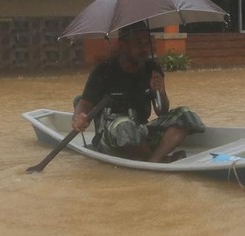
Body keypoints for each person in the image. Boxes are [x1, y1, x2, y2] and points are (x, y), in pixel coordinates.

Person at [71, 22, 205, 163]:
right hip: (112, 136)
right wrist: (78, 118)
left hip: (141, 131)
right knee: (125, 127)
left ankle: (154, 161)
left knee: (186, 114)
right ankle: (158, 160)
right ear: (123, 46)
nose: (144, 48)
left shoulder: (152, 69)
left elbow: (161, 111)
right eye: (138, 43)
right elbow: (84, 104)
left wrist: (160, 92)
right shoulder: (103, 71)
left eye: (146, 43)